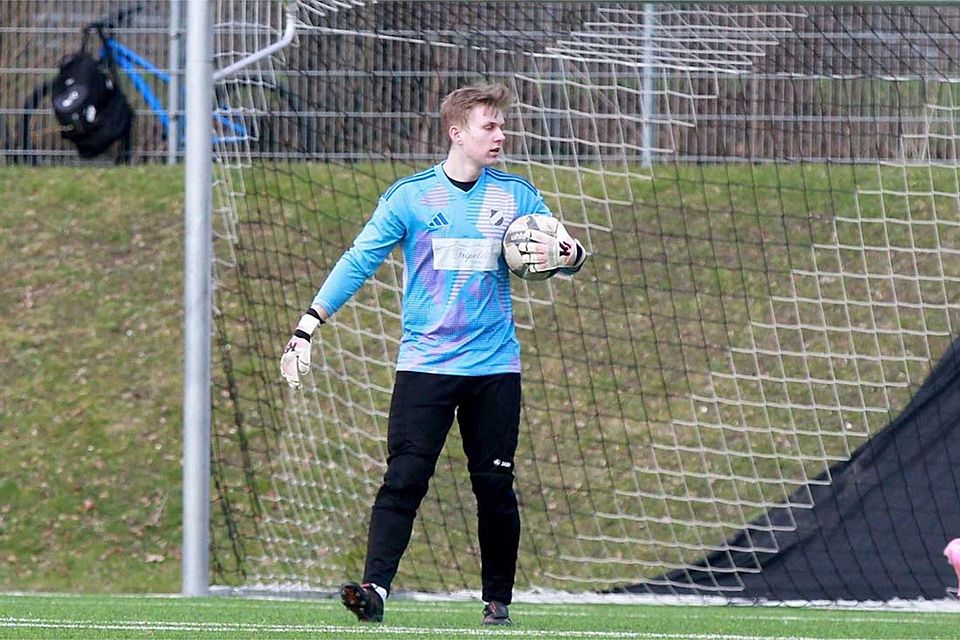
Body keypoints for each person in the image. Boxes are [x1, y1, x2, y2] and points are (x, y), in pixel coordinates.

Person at [279, 83, 587, 625]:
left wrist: (571, 253)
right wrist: (309, 323)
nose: (501, 134)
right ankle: (374, 591)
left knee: (494, 486)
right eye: (489, 126)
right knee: (405, 478)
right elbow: (359, 260)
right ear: (457, 132)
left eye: (500, 125)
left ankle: (497, 602)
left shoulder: (517, 198)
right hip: (425, 366)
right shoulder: (411, 197)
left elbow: (564, 250)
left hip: (494, 369)